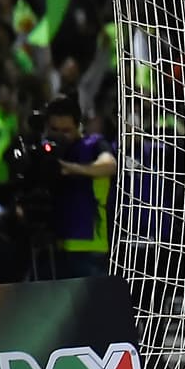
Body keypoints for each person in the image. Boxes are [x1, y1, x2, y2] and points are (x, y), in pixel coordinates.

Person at [42, 92, 117, 279]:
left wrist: (70, 169)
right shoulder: (44, 151)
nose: (60, 136)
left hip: (89, 247)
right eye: (54, 130)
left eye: (66, 131)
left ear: (78, 127)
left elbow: (110, 165)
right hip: (53, 247)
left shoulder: (93, 144)